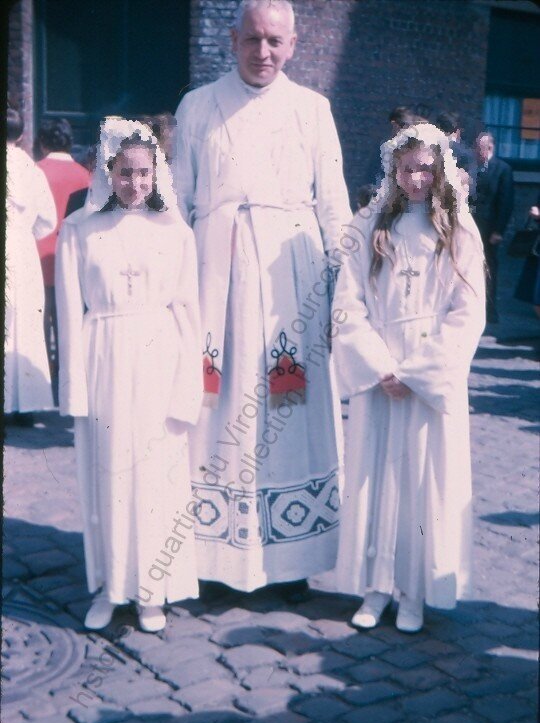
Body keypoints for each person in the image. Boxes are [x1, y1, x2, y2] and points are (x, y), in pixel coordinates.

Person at [173, 0, 351, 601]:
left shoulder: (313, 110)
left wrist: (340, 293)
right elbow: (176, 202)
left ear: (295, 44)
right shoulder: (197, 105)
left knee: (288, 408)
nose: (264, 52)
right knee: (213, 405)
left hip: (289, 287)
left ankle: (293, 557)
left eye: (276, 40)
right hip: (214, 281)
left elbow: (334, 207)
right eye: (253, 39)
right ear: (234, 38)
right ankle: (215, 555)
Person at [333, 123, 485, 633]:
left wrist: (420, 372)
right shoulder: (370, 223)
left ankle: (414, 589)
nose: (417, 179)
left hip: (426, 374)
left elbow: (468, 312)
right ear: (392, 172)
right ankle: (376, 586)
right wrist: (377, 365)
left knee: (422, 482)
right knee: (378, 478)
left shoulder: (458, 230)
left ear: (439, 169)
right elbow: (346, 300)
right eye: (407, 169)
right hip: (381, 368)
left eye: (425, 168)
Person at [55, 118, 203, 632]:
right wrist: (73, 388)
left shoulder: (176, 232)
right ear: (108, 171)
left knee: (155, 479)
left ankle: (151, 591)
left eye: (143, 173)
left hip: (159, 360)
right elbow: (70, 314)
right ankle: (110, 587)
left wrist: (188, 387)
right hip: (104, 358)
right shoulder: (81, 231)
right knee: (108, 478)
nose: (135, 184)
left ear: (156, 172)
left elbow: (188, 311)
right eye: (124, 172)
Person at [5, 108, 57, 425]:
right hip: (22, 251)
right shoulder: (33, 172)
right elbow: (48, 219)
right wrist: (26, 232)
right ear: (22, 136)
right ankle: (25, 405)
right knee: (24, 323)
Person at [36, 118, 90, 404]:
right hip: (74, 265)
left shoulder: (36, 171)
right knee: (71, 327)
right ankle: (69, 386)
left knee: (42, 328)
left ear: (43, 142)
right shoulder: (86, 176)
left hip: (40, 261)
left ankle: (44, 387)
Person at [473, 131, 513, 323]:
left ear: (489, 147)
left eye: (479, 147)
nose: (476, 151)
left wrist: (499, 231)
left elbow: (506, 203)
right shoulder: (473, 168)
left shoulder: (502, 169)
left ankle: (489, 310)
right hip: (473, 226)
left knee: (488, 268)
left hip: (489, 229)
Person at [435, 111, 477, 198]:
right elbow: (471, 190)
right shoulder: (466, 155)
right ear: (458, 130)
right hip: (454, 204)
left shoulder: (426, 149)